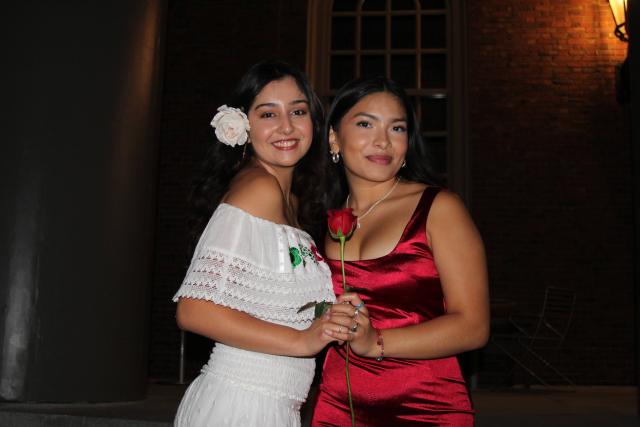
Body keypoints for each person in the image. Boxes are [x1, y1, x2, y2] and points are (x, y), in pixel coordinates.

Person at [311, 76, 490, 426]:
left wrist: (375, 341)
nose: (383, 141)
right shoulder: (317, 220)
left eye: (397, 128)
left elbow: (474, 326)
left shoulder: (439, 208)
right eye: (365, 123)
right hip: (337, 407)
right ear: (334, 136)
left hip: (426, 409)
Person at [172, 60, 339, 427]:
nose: (286, 126)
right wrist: (302, 342)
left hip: (272, 405)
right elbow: (194, 309)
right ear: (244, 127)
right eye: (268, 114)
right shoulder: (258, 188)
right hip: (242, 403)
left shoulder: (287, 197)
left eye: (298, 111)